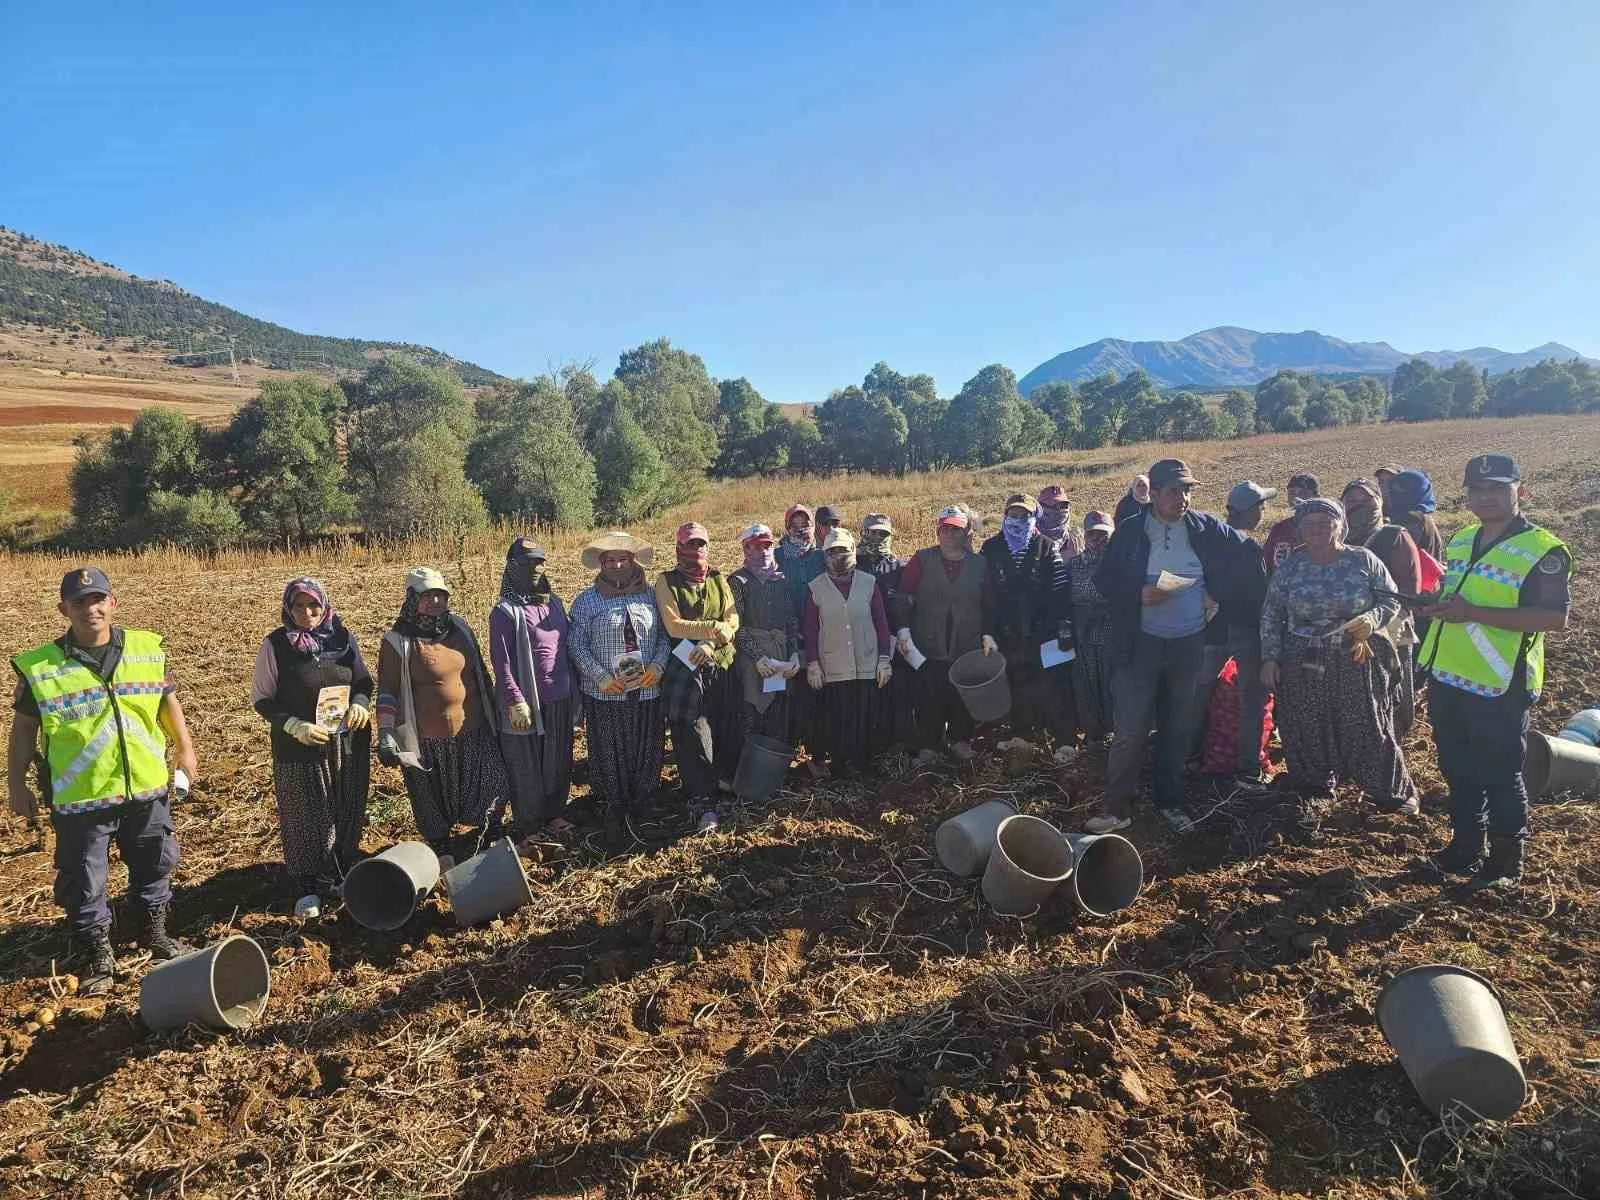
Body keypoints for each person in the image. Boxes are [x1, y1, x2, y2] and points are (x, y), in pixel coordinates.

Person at [9, 567, 198, 994]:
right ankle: (97, 953)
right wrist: (16, 784)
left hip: (145, 789)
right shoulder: (41, 667)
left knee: (154, 864)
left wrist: (184, 748)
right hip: (81, 798)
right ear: (64, 609)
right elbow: (22, 731)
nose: (90, 609)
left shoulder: (147, 649)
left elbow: (168, 702)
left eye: (98, 600)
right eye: (79, 602)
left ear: (113, 603)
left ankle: (155, 935)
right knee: (84, 879)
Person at [1419, 454, 1571, 891]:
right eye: (1477, 490)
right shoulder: (1464, 538)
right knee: (1456, 766)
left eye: (1497, 489)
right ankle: (1466, 844)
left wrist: (1473, 613)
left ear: (1521, 492)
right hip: (1449, 674)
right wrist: (1437, 606)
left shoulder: (1544, 550)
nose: (1485, 498)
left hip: (1501, 682)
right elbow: (1456, 597)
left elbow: (1553, 618)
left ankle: (1506, 860)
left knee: (1500, 772)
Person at [1089, 459, 1264, 834]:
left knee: (1177, 727)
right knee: (1132, 729)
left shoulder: (1204, 528)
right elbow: (1104, 581)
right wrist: (1137, 594)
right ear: (1153, 494)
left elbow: (1249, 553)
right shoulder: (1131, 531)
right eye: (1175, 490)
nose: (1183, 497)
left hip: (1189, 645)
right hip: (1139, 645)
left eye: (1188, 490)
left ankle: (1170, 802)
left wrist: (1217, 596)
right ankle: (1116, 808)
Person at [1259, 499, 1419, 813]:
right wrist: (1270, 657)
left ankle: (1392, 790)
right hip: (1302, 654)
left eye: (1325, 521)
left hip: (1354, 653)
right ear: (1300, 529)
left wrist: (1371, 620)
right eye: (1309, 523)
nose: (1317, 528)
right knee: (1304, 721)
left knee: (1365, 722)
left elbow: (1391, 602)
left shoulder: (1363, 560)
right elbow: (1271, 613)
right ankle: (1313, 784)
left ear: (1340, 525)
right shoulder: (1292, 565)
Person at [251, 577, 372, 919]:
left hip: (347, 740)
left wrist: (361, 702)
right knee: (305, 813)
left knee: (347, 806)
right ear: (288, 608)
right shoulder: (275, 645)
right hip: (300, 747)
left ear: (325, 605)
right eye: (299, 606)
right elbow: (261, 698)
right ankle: (307, 885)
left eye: (314, 605)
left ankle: (341, 871)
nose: (307, 612)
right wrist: (293, 725)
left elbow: (363, 680)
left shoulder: (342, 638)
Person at [377, 568, 508, 870]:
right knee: (430, 795)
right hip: (428, 738)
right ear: (412, 599)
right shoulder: (399, 641)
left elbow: (480, 672)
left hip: (474, 728)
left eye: (441, 595)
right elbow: (388, 691)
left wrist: (496, 710)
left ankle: (490, 831)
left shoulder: (460, 628)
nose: (435, 601)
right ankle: (440, 844)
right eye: (427, 596)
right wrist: (386, 733)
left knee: (493, 781)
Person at [568, 531, 669, 840]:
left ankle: (645, 799)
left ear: (633, 561)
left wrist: (658, 666)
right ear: (601, 564)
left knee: (646, 743)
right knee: (608, 746)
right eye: (609, 560)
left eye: (622, 558)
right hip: (605, 691)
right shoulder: (587, 601)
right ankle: (613, 802)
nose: (616, 564)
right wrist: (599, 676)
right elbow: (576, 644)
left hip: (647, 687)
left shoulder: (651, 596)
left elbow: (665, 636)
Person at [489, 538, 577, 845]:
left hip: (559, 698)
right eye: (527, 564)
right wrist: (514, 699)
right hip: (525, 701)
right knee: (525, 764)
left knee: (557, 760)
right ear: (512, 567)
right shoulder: (505, 611)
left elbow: (567, 647)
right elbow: (501, 663)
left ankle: (554, 813)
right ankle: (529, 824)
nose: (536, 569)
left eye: (540, 562)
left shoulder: (554, 602)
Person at [655, 522, 740, 832]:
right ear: (679, 548)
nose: (696, 550)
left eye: (701, 543)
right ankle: (701, 799)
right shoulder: (666, 581)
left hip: (720, 661)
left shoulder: (718, 578)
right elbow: (674, 625)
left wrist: (712, 640)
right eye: (690, 544)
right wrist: (712, 631)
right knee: (692, 731)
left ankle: (720, 782)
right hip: (685, 666)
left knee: (722, 722)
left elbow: (732, 619)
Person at [897, 505, 998, 765]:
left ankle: (960, 740)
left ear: (967, 533)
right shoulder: (922, 559)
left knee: (962, 693)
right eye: (947, 529)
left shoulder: (980, 564)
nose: (952, 535)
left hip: (967, 640)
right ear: (938, 531)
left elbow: (989, 604)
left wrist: (988, 633)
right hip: (929, 641)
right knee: (930, 693)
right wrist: (904, 629)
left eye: (958, 530)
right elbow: (904, 598)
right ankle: (929, 745)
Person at [1193, 483, 1277, 789]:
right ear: (1252, 511)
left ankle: (1187, 754)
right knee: (1251, 698)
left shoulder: (1210, 542)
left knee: (1198, 692)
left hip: (1211, 630)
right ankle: (1248, 769)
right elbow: (1260, 597)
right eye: (1261, 507)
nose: (1263, 512)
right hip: (1246, 630)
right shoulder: (1249, 548)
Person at [979, 492, 1075, 758]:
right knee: (1016, 682)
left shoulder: (1046, 546)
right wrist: (987, 631)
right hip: (1007, 631)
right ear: (1005, 515)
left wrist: (1062, 627)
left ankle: (1064, 740)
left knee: (1054, 684)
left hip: (1043, 629)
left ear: (1035, 518)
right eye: (1014, 514)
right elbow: (986, 594)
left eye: (1025, 515)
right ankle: (1021, 736)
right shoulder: (991, 548)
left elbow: (1059, 589)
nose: (1018, 520)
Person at [803, 528, 893, 776]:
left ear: (853, 551)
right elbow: (810, 629)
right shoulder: (816, 587)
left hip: (867, 661)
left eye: (843, 550)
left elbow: (881, 622)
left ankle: (862, 763)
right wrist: (812, 663)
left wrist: (884, 658)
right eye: (832, 551)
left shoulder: (869, 583)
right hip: (833, 664)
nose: (838, 556)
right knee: (839, 716)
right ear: (825, 555)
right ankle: (840, 764)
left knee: (864, 715)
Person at [1340, 479, 1422, 736]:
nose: (1357, 506)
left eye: (1365, 500)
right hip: (1351, 628)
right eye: (1351, 501)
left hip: (1391, 627)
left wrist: (1376, 614)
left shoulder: (1393, 535)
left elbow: (1409, 591)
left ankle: (1392, 738)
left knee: (1392, 689)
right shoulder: (1338, 539)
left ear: (1379, 502)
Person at [727, 523, 799, 771]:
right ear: (745, 548)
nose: (763, 551)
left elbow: (790, 619)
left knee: (779, 709)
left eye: (767, 545)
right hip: (750, 656)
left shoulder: (780, 580)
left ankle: (773, 769)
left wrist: (794, 654)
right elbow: (736, 625)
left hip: (780, 654)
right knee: (751, 710)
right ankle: (747, 770)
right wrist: (757, 657)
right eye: (756, 546)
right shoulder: (737, 581)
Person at [857, 513, 916, 748]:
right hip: (859, 636)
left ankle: (894, 741)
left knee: (893, 688)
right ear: (863, 532)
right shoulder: (851, 563)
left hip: (891, 638)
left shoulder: (898, 566)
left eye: (883, 534)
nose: (878, 537)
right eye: (873, 532)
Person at [1066, 511, 1117, 745]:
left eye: (1103, 535)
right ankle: (1093, 735)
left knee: (1112, 686)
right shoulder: (1073, 565)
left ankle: (1115, 731)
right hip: (1082, 636)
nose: (1098, 540)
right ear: (1084, 536)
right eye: (1092, 535)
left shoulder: (1120, 565)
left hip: (1111, 634)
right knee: (1085, 685)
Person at [1262, 472, 1321, 573]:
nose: (1297, 498)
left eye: (1304, 493)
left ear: (1317, 497)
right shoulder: (1280, 529)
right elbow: (1266, 564)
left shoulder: (1326, 528)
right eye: (1292, 493)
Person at [1387, 468, 1446, 563]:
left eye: (1402, 491)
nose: (1394, 496)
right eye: (1393, 491)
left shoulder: (1412, 519)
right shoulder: (1425, 517)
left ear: (1417, 492)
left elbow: (1401, 555)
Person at [776, 504, 824, 616]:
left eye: (804, 525)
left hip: (817, 623)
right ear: (787, 529)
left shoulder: (821, 556)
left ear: (813, 526)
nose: (800, 530)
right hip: (788, 623)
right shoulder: (777, 557)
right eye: (794, 526)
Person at [1035, 485, 1083, 562]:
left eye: (1064, 506)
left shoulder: (1077, 539)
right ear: (1040, 509)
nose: (1062, 510)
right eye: (1055, 506)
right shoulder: (1029, 539)